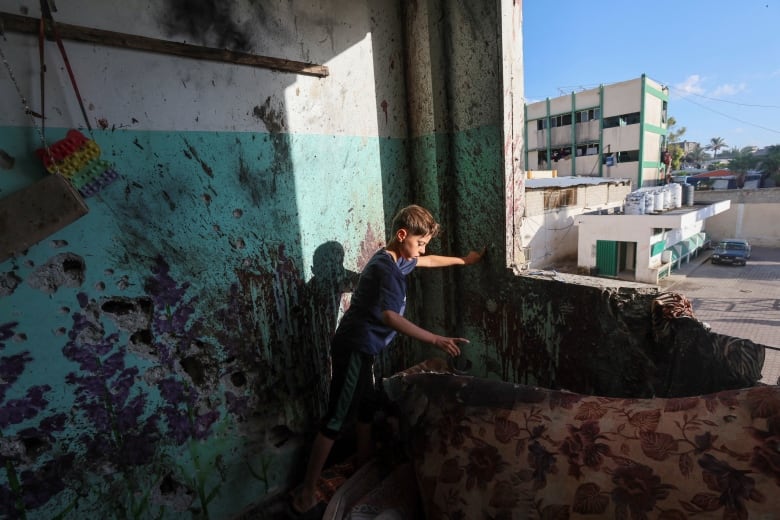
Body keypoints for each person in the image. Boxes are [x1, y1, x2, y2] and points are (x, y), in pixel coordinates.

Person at [288, 204, 484, 518]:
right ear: (402, 234)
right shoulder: (385, 269)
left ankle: (363, 464)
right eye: (420, 242)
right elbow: (389, 316)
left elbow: (427, 260)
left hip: (366, 348)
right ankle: (306, 492)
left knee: (367, 405)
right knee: (336, 418)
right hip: (353, 347)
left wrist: (464, 260)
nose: (422, 249)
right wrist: (436, 339)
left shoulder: (398, 257)